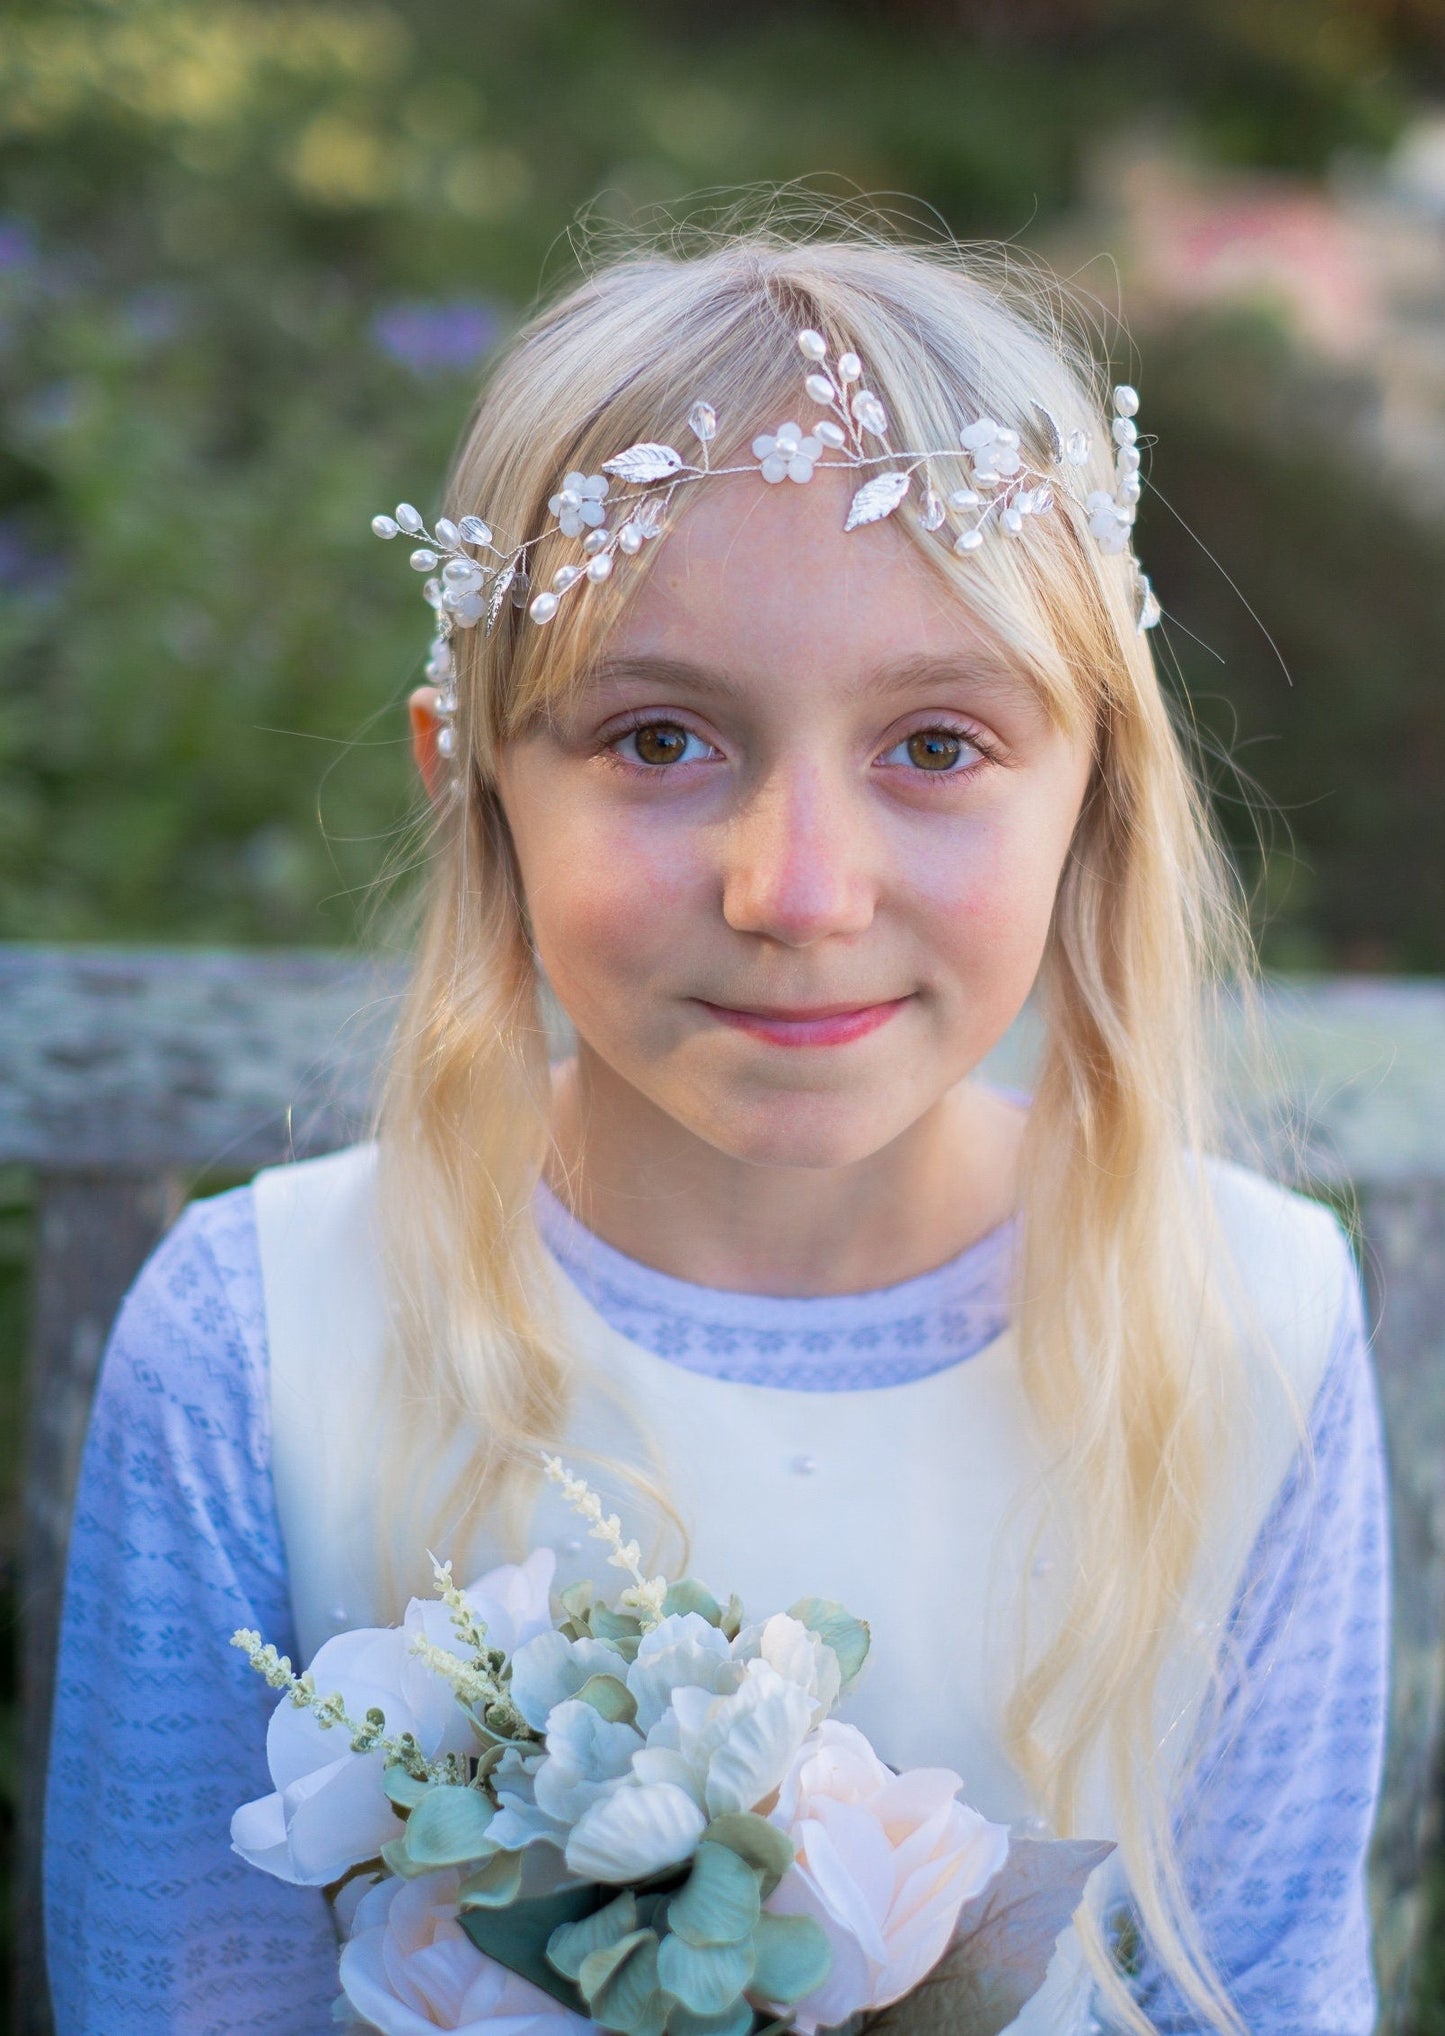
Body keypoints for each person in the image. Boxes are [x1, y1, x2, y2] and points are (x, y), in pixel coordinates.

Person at [43, 221, 1388, 2035]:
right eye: (661, 739)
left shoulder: (1244, 1318)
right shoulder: (260, 1337)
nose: (799, 890)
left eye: (934, 744)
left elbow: (1271, 1984)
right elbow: (178, 1991)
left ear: (1096, 792)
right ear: (480, 790)